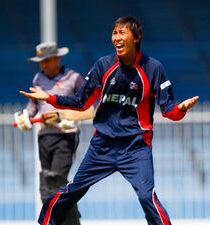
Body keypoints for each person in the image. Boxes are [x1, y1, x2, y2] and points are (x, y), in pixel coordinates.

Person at [20, 16, 199, 225]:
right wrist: (50, 98)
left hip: (136, 146)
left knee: (146, 196)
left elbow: (169, 110)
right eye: (115, 33)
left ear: (137, 37)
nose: (117, 37)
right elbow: (81, 102)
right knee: (73, 190)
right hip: (102, 145)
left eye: (123, 32)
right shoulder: (103, 65)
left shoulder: (154, 68)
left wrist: (181, 108)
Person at [14, 42, 94, 225]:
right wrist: (26, 116)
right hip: (44, 136)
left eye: (47, 61)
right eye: (40, 61)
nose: (43, 65)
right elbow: (34, 106)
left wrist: (64, 115)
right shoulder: (38, 79)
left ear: (57, 58)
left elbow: (89, 108)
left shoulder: (74, 78)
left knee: (55, 180)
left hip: (65, 136)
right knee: (48, 187)